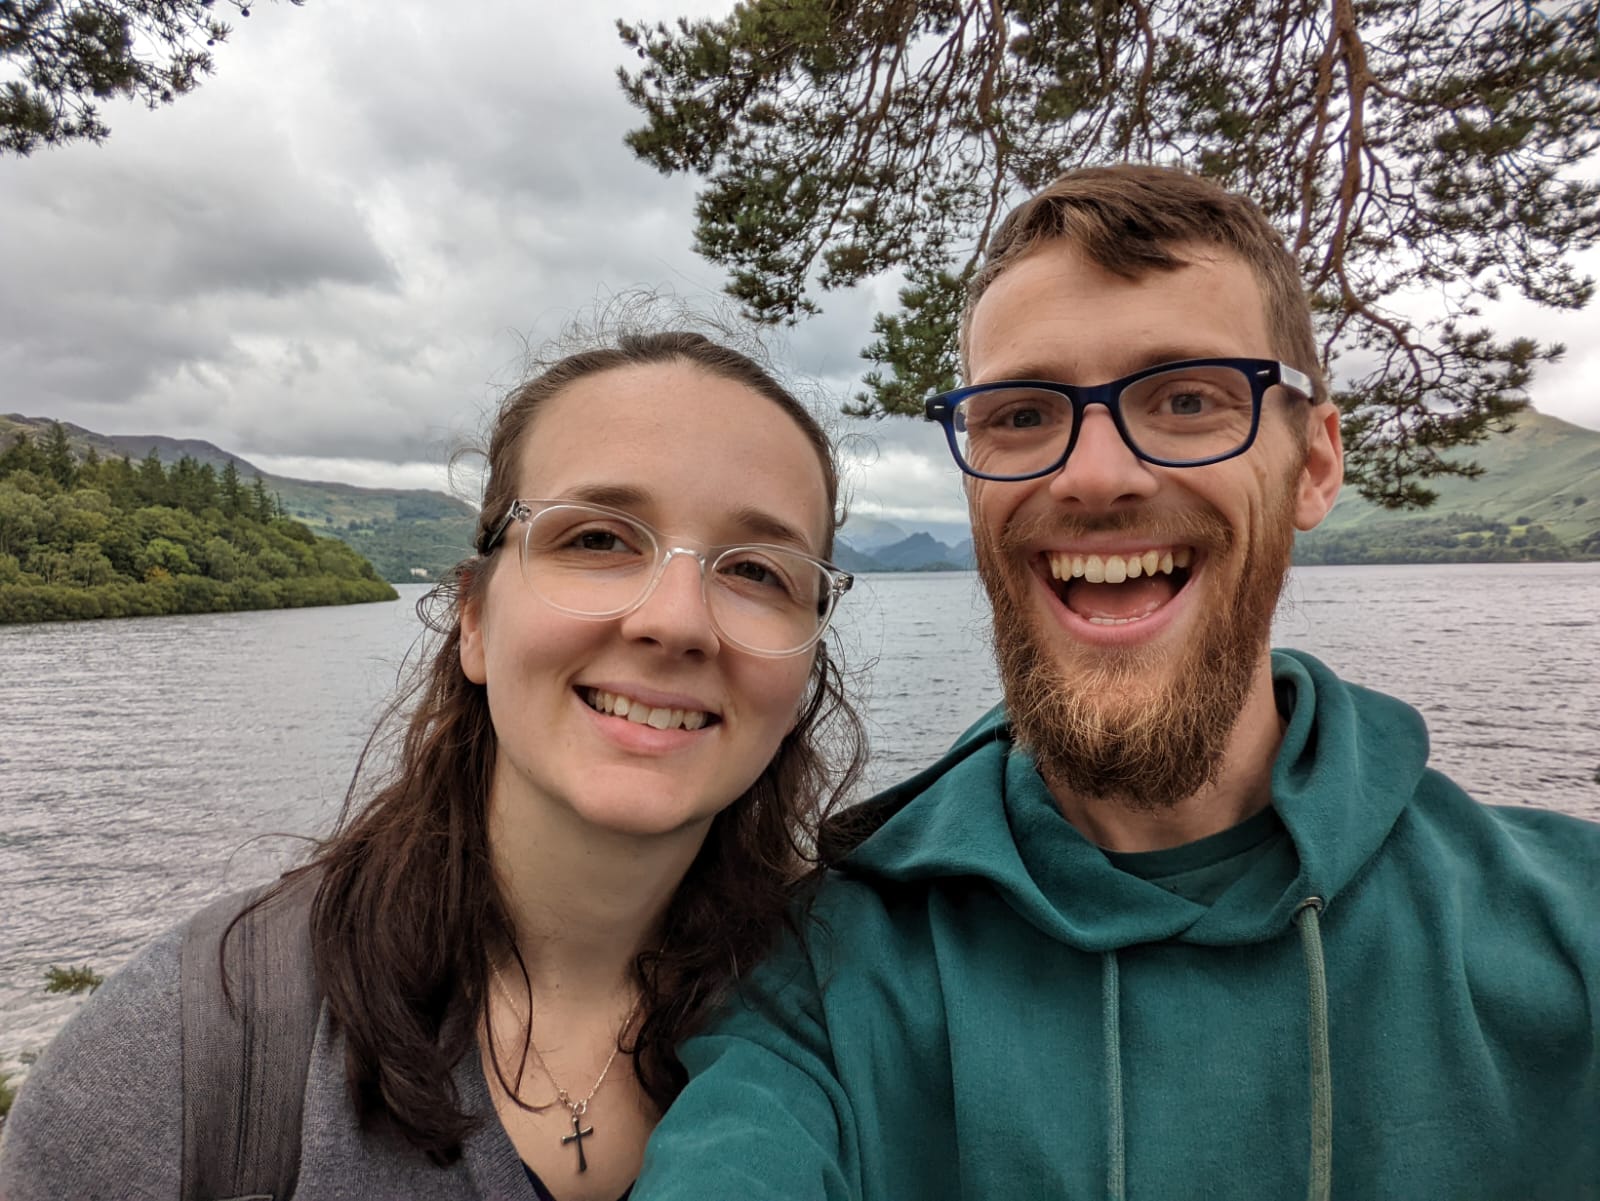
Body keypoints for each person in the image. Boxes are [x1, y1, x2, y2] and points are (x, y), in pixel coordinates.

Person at [630, 165, 1600, 1201]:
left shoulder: (1569, 927)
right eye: (1021, 414)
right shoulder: (826, 980)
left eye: (1186, 398)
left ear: (1315, 465)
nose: (1094, 475)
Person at [0, 329, 866, 1201]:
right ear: (475, 620)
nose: (676, 621)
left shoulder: (861, 1024)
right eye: (600, 539)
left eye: (758, 570)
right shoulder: (179, 1066)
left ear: (804, 666)